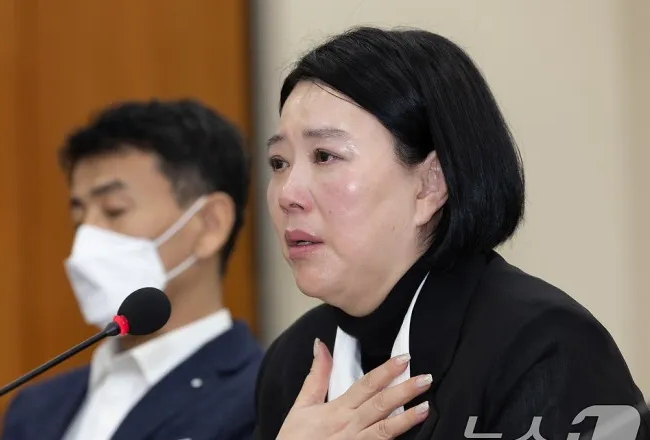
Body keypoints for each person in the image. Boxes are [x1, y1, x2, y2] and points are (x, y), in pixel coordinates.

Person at [253, 26, 650, 440]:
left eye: (324, 156)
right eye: (279, 162)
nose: (288, 194)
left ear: (430, 185)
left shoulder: (543, 348)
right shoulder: (292, 364)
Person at [0, 99, 262, 440]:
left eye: (114, 210)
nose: (87, 236)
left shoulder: (266, 397)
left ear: (209, 225)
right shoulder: (34, 408)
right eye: (79, 217)